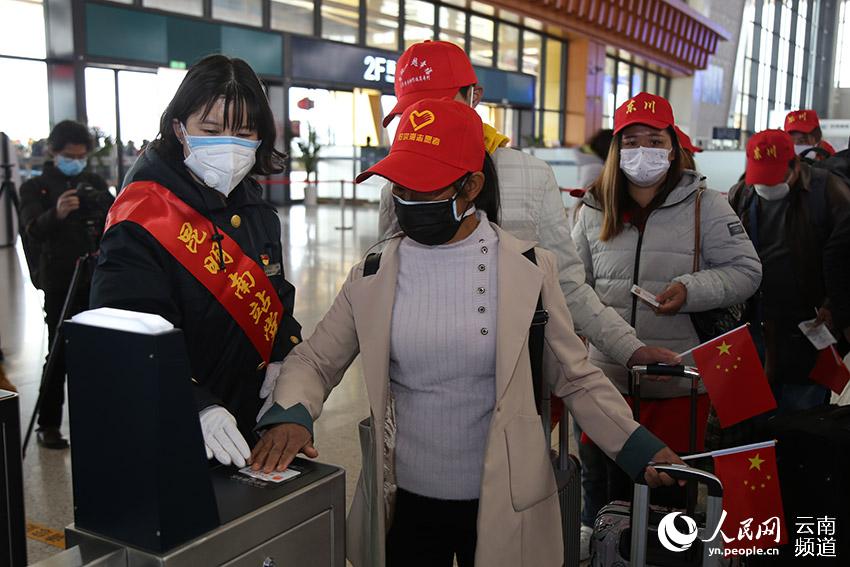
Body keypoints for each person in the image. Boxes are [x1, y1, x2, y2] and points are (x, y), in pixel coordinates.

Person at [250, 98, 684, 567]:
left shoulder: (529, 270)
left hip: (503, 501)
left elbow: (575, 378)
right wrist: (292, 411)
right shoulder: (373, 274)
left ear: (471, 185)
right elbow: (316, 360)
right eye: (402, 187)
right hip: (407, 505)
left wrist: (636, 444)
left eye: (425, 188)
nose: (409, 202)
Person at [90, 54, 302, 467]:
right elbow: (131, 334)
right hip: (169, 423)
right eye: (210, 129)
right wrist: (198, 404)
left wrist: (281, 353)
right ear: (178, 129)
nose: (229, 144)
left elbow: (276, 297)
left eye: (243, 132)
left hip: (246, 421)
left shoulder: (255, 209)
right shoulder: (144, 216)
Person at [572, 92, 762, 506]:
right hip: (609, 387)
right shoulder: (592, 209)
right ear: (616, 150)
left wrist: (693, 289)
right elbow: (575, 286)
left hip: (678, 386)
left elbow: (748, 271)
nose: (644, 151)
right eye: (632, 140)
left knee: (669, 508)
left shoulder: (707, 206)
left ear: (673, 148)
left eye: (655, 141)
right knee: (608, 501)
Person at [728, 129, 850, 413]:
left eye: (776, 178)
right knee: (755, 414)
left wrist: (835, 304)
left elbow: (844, 256)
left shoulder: (828, 191)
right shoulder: (742, 193)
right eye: (761, 180)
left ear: (796, 166)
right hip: (756, 320)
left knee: (802, 412)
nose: (768, 187)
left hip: (812, 322)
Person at [19, 120, 113, 449]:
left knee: (101, 352)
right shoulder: (36, 187)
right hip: (60, 279)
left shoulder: (92, 181)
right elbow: (31, 230)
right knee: (58, 353)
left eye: (81, 155)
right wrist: (56, 213)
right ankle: (48, 425)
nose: (76, 160)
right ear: (53, 152)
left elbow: (113, 217)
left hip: (97, 276)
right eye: (69, 155)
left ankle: (102, 419)